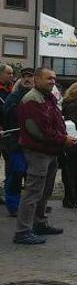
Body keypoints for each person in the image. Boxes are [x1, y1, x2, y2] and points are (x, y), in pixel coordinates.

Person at [13, 67, 76, 245]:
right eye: (48, 78)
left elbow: (55, 122)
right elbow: (38, 131)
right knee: (33, 192)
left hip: (50, 151)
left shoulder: (48, 98)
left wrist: (62, 138)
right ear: (37, 79)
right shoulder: (32, 100)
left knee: (45, 191)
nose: (52, 81)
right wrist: (63, 139)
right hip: (38, 152)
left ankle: (39, 223)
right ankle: (22, 231)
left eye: (54, 79)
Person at [3, 68, 33, 216]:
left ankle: (32, 204)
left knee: (33, 176)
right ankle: (13, 205)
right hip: (17, 143)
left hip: (36, 145)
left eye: (31, 76)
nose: (27, 79)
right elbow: (8, 114)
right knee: (17, 173)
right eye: (24, 76)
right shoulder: (15, 96)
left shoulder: (43, 96)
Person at [0, 63, 14, 205]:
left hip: (8, 133)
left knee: (10, 164)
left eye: (12, 74)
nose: (11, 76)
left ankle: (9, 191)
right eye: (8, 73)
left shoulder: (11, 90)